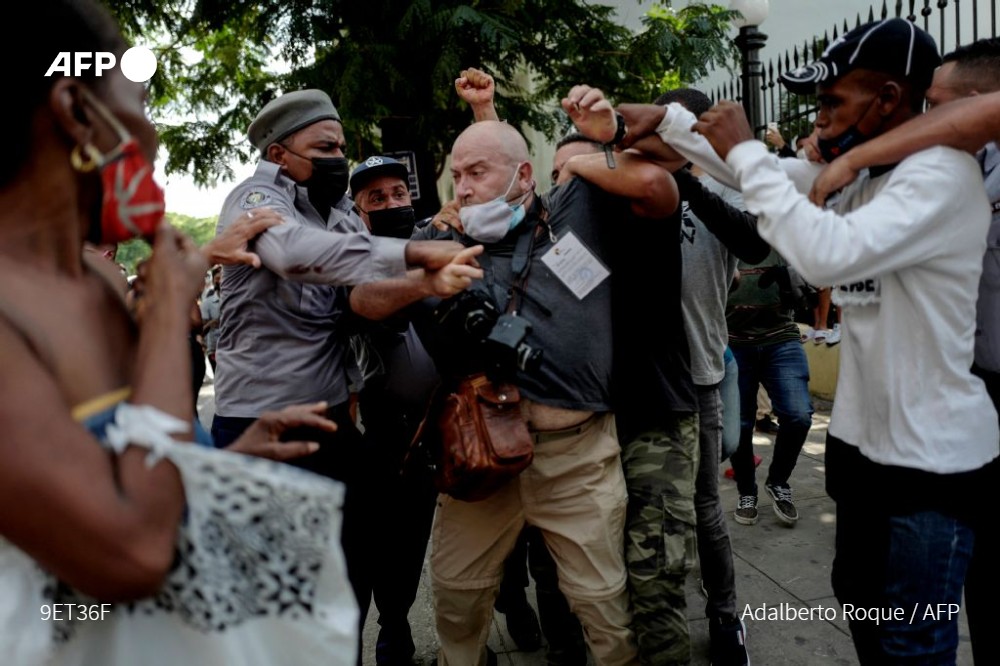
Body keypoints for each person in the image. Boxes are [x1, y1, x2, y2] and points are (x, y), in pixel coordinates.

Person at [617, 17, 998, 663]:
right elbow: (757, 175)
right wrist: (669, 124)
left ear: (886, 99)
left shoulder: (940, 176)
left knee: (912, 637)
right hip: (865, 449)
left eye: (830, 102)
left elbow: (824, 256)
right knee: (860, 603)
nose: (817, 119)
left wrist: (744, 153)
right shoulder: (867, 175)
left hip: (929, 466)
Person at [1, 1, 371, 663]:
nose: (153, 136)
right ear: (78, 111)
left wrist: (224, 465)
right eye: (139, 101)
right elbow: (130, 555)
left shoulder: (99, 287)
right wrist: (171, 314)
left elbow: (130, 475)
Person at [209, 88, 480, 662]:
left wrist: (422, 283)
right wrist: (410, 256)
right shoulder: (255, 199)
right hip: (263, 432)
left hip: (331, 425)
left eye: (340, 144)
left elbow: (361, 292)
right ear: (281, 155)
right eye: (324, 146)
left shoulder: (332, 212)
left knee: (350, 583)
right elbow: (295, 254)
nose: (338, 156)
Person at [406, 99, 678, 663]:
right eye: (456, 176)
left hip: (577, 459)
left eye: (477, 173)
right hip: (482, 458)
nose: (464, 188)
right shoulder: (445, 237)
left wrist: (580, 163)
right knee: (456, 595)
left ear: (524, 175)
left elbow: (659, 184)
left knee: (604, 606)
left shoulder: (577, 212)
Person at [808, 36, 1000, 666]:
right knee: (877, 599)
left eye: (936, 106)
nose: (926, 118)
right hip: (933, 407)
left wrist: (850, 159)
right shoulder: (933, 170)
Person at [346, 155, 441, 665]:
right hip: (386, 436)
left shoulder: (434, 247)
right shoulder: (352, 263)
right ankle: (393, 629)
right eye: (376, 199)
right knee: (389, 541)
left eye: (397, 194)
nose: (390, 204)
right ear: (360, 211)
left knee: (422, 539)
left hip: (452, 427)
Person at [200, 265, 222, 371]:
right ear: (213, 281)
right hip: (215, 349)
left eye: (223, 278)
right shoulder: (207, 303)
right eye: (217, 279)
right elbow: (202, 329)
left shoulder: (236, 301)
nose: (220, 282)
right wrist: (211, 323)